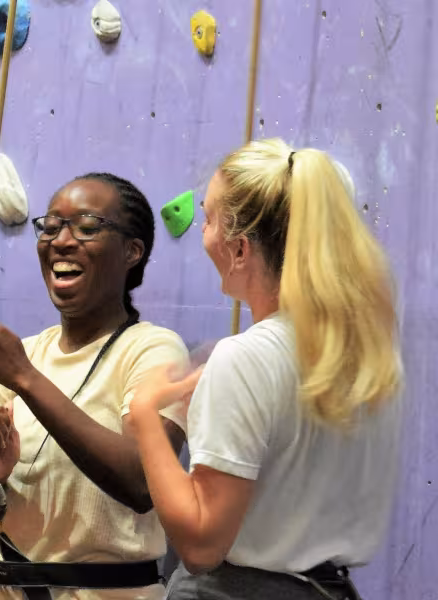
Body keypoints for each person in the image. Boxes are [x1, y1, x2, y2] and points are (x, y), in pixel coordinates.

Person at [127, 138, 403, 600]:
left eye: (208, 219)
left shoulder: (246, 358)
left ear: (239, 250)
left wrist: (144, 420)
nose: (202, 233)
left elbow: (202, 545)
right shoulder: (370, 360)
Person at [0, 173, 191, 600]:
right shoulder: (26, 353)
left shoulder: (152, 350)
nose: (61, 240)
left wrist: (25, 377)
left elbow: (142, 484)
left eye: (87, 227)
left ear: (132, 251)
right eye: (51, 226)